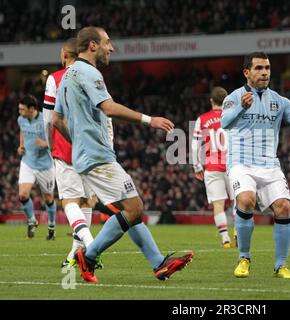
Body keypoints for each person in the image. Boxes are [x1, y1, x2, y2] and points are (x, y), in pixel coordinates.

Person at [53, 26, 193, 283]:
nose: (111, 48)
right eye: (107, 43)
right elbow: (108, 108)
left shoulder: (67, 75)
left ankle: (158, 263)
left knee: (130, 211)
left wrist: (78, 140)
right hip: (97, 156)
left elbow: (56, 119)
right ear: (93, 45)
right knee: (135, 207)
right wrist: (149, 120)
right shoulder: (88, 71)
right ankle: (90, 255)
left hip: (85, 155)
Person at [221, 52, 290, 279]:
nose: (264, 72)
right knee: (246, 200)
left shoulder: (280, 101)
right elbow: (224, 123)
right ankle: (244, 258)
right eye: (259, 68)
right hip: (241, 163)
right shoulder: (234, 97)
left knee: (284, 207)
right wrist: (241, 108)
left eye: (267, 68)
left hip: (269, 164)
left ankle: (281, 266)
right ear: (247, 72)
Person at [43, 38, 98, 268]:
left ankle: (91, 246)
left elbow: (49, 119)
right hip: (93, 147)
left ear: (65, 53)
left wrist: (50, 144)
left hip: (67, 147)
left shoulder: (55, 79)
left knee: (70, 201)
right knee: (87, 201)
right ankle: (75, 254)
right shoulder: (93, 75)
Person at [192, 86, 234, 248]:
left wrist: (197, 167)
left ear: (211, 101)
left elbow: (195, 146)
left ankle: (225, 239)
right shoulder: (233, 117)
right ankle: (238, 232)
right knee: (238, 203)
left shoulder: (202, 119)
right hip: (233, 166)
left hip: (212, 167)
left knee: (218, 205)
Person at [17, 94, 56, 239]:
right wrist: (21, 146)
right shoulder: (21, 119)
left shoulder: (45, 120)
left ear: (32, 109)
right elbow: (22, 130)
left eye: (22, 109)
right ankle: (32, 221)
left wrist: (46, 144)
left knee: (48, 199)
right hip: (28, 162)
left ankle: (51, 226)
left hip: (45, 165)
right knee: (23, 194)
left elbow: (56, 139)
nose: (20, 112)